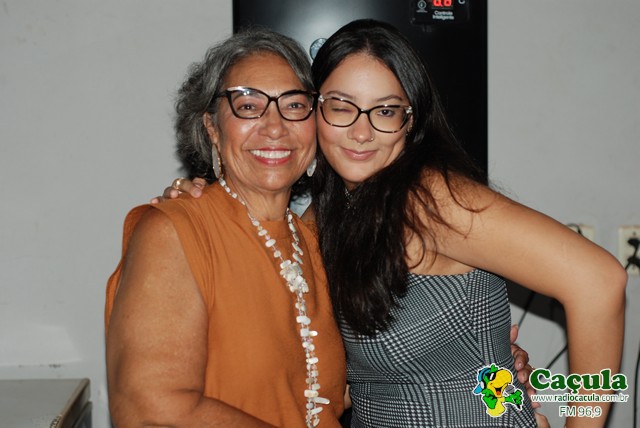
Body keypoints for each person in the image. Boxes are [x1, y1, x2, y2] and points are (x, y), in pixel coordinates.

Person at [165, 19, 627, 428]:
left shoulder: (429, 200)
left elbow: (599, 281)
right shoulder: (324, 216)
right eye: (341, 106)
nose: (361, 132)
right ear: (312, 112)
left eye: (385, 111)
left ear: (411, 121)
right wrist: (206, 204)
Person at [105, 28, 348, 427]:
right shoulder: (175, 232)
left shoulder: (317, 242)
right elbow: (151, 409)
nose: (275, 127)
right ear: (212, 128)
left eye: (294, 105)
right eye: (249, 106)